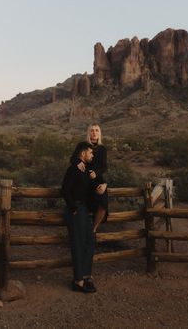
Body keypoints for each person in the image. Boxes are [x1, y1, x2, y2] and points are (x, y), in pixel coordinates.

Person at [62, 141, 106, 293]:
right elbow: (65, 189)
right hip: (76, 210)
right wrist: (73, 208)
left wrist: (103, 186)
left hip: (85, 211)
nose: (92, 155)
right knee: (78, 244)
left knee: (90, 240)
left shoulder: (87, 170)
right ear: (82, 153)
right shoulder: (74, 169)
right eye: (90, 152)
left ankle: (86, 276)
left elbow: (95, 183)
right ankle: (78, 281)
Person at [77, 124, 108, 232]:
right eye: (92, 130)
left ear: (99, 133)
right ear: (88, 132)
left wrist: (96, 173)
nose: (94, 133)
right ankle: (84, 227)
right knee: (86, 203)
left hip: (97, 178)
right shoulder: (82, 145)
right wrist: (77, 162)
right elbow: (73, 158)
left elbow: (104, 167)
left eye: (96, 130)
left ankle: (93, 229)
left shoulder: (102, 148)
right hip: (84, 177)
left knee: (103, 203)